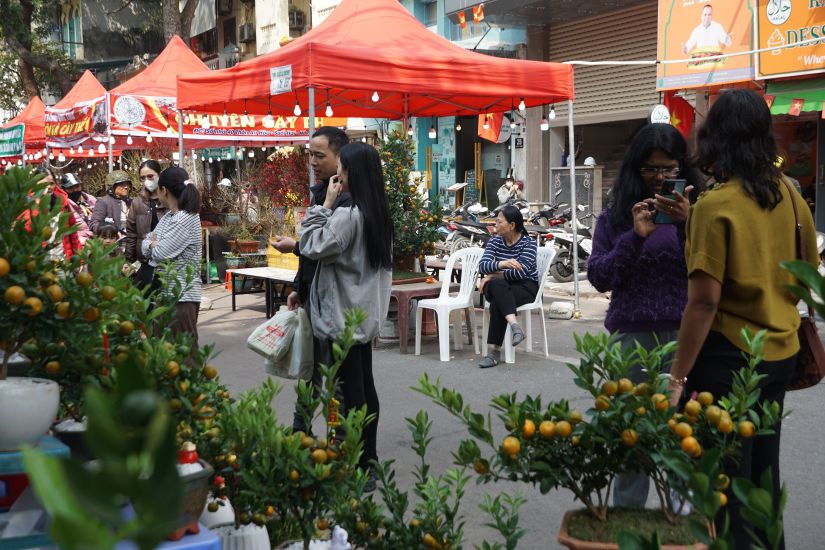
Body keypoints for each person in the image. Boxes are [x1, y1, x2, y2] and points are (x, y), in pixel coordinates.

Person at [668, 89, 817, 548]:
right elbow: (806, 275)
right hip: (780, 355)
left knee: (725, 487)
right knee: (762, 478)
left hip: (728, 361)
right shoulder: (792, 197)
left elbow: (704, 303)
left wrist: (677, 376)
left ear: (717, 139)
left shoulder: (716, 206)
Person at [587, 122, 700, 508]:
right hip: (631, 340)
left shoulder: (699, 213)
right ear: (635, 168)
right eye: (650, 169)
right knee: (632, 436)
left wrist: (689, 226)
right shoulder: (616, 215)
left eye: (669, 169)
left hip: (686, 337)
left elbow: (712, 272)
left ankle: (681, 520)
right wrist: (634, 238)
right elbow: (600, 278)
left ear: (682, 167)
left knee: (682, 434)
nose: (659, 178)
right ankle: (626, 516)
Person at [299, 141, 393, 490]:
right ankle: (368, 460)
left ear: (354, 173)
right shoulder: (377, 214)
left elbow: (312, 245)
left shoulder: (348, 214)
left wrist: (323, 205)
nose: (338, 174)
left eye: (343, 168)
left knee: (349, 396)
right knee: (364, 390)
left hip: (342, 321)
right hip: (362, 319)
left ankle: (358, 465)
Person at [269, 126, 352, 433]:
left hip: (334, 306)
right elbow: (313, 249)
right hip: (313, 298)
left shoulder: (346, 200)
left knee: (333, 382)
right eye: (310, 155)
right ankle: (300, 430)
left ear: (340, 157)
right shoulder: (323, 191)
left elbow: (323, 247)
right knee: (311, 374)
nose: (313, 162)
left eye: (320, 155)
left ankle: (338, 438)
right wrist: (298, 288)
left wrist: (298, 246)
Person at [141, 167, 203, 345]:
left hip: (182, 296)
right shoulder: (169, 216)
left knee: (184, 353)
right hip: (166, 293)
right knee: (165, 352)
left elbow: (159, 253)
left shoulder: (186, 218)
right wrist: (153, 243)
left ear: (164, 190)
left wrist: (154, 243)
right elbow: (145, 244)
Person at [476, 205, 538, 369]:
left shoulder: (528, 243)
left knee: (498, 300)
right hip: (499, 286)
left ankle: (494, 353)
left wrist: (491, 275)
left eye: (499, 221)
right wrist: (503, 263)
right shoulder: (495, 241)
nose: (495, 224)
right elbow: (482, 266)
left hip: (525, 287)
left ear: (512, 225)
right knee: (498, 286)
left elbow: (521, 274)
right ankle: (515, 326)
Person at [125, 160, 168, 286]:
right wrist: (129, 260)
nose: (147, 180)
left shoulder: (169, 199)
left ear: (159, 175)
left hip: (167, 257)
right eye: (143, 178)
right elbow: (132, 233)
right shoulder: (137, 202)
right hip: (145, 260)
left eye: (150, 176)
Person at [60, 172, 96, 245]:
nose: (75, 190)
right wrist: (84, 241)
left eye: (77, 186)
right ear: (64, 190)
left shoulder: (91, 199)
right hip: (80, 244)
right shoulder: (63, 206)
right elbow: (66, 232)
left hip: (97, 238)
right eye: (70, 188)